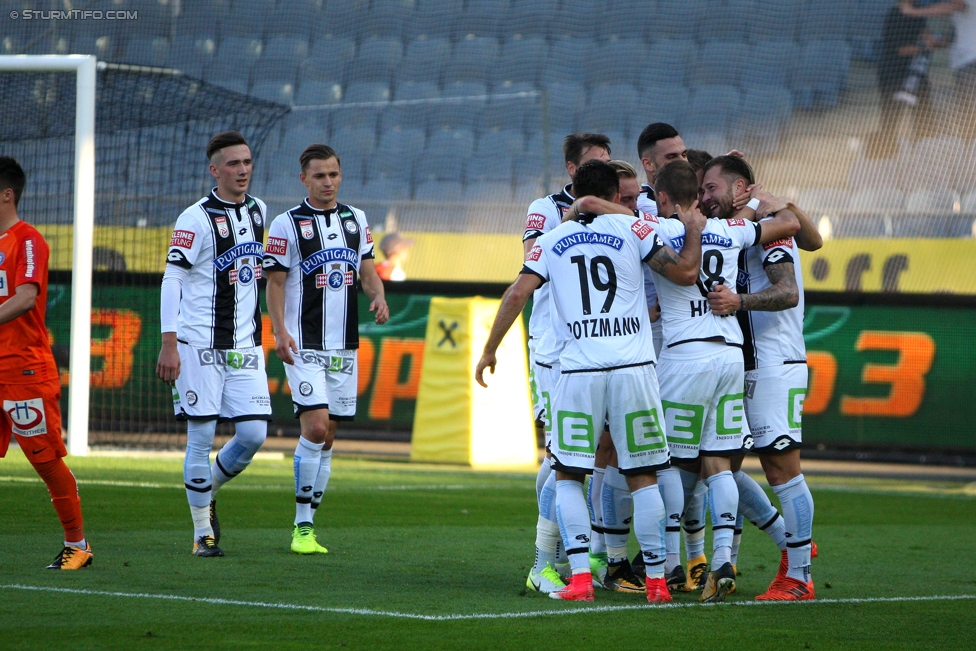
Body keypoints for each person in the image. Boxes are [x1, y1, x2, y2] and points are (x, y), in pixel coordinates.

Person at [478, 159, 708, 603]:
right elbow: (684, 273)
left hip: (579, 372)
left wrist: (490, 349)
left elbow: (517, 293)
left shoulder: (550, 240)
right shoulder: (635, 231)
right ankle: (658, 582)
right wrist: (694, 231)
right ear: (608, 195)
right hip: (634, 370)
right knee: (644, 475)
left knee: (567, 476)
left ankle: (581, 578)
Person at [651, 158, 800, 602]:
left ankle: (667, 565)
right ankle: (720, 561)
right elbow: (789, 223)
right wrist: (758, 204)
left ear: (662, 198)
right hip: (730, 356)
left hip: (684, 358)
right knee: (719, 464)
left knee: (675, 465)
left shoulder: (656, 232)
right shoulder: (732, 231)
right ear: (697, 195)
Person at [263, 144, 389, 554]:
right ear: (304, 179)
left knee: (329, 437)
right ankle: (301, 527)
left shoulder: (357, 220)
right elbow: (276, 283)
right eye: (319, 175)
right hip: (303, 344)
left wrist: (378, 295)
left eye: (334, 174)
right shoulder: (286, 224)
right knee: (315, 428)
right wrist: (279, 331)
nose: (328, 182)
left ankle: (311, 521)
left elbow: (367, 270)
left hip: (343, 346)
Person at [156, 131, 271, 558]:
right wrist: (170, 343)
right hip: (199, 345)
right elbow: (173, 280)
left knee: (255, 434)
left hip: (246, 345)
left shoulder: (259, 210)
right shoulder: (195, 218)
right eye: (233, 164)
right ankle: (201, 533)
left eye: (247, 162)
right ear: (215, 170)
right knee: (200, 437)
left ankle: (207, 490)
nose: (242, 170)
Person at [707, 183, 823, 601]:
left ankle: (799, 576)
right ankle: (779, 547)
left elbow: (788, 291)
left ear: (740, 190)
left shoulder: (771, 231)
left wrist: (738, 301)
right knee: (720, 465)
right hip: (743, 364)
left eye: (711, 185)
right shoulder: (734, 231)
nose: (705, 195)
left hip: (774, 364)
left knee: (781, 471)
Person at [522, 133, 611, 595]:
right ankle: (543, 563)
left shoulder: (618, 214)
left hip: (602, 351)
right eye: (595, 165)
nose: (603, 173)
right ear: (574, 171)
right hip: (557, 350)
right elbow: (530, 264)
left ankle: (586, 553)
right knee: (564, 455)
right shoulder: (546, 207)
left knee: (594, 456)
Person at [0, 156, 91, 570]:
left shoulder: (27, 239)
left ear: (7, 194)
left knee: (44, 459)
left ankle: (79, 546)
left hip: (24, 369)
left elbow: (25, 298)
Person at [868, 0, 944, 158]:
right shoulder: (895, 15)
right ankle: (885, 158)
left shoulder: (917, 12)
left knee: (925, 115)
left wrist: (934, 40)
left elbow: (925, 34)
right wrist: (925, 47)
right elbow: (901, 49)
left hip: (915, 74)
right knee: (891, 119)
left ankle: (927, 157)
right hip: (893, 75)